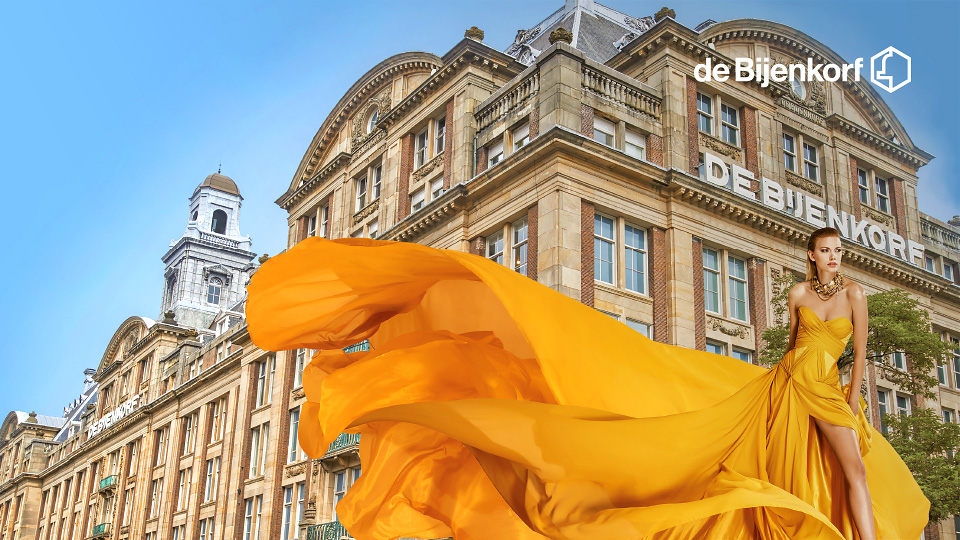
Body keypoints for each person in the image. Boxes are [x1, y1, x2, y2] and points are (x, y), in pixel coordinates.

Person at [246, 232, 929, 540]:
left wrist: (857, 396)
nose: (833, 258)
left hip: (828, 388)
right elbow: (788, 348)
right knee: (744, 462)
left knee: (847, 472)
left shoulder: (857, 297)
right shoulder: (797, 295)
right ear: (814, 254)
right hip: (786, 383)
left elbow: (858, 355)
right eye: (826, 250)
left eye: (840, 251)